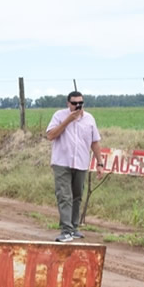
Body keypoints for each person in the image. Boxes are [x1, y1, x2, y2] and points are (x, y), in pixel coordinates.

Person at [45, 91, 104, 242]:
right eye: (74, 103)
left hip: (81, 163)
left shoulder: (89, 119)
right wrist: (67, 121)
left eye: (80, 103)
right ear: (68, 103)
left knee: (77, 195)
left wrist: (100, 162)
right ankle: (66, 230)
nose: (78, 106)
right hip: (62, 163)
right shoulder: (59, 116)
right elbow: (50, 135)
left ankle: (74, 227)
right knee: (65, 196)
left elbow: (95, 142)